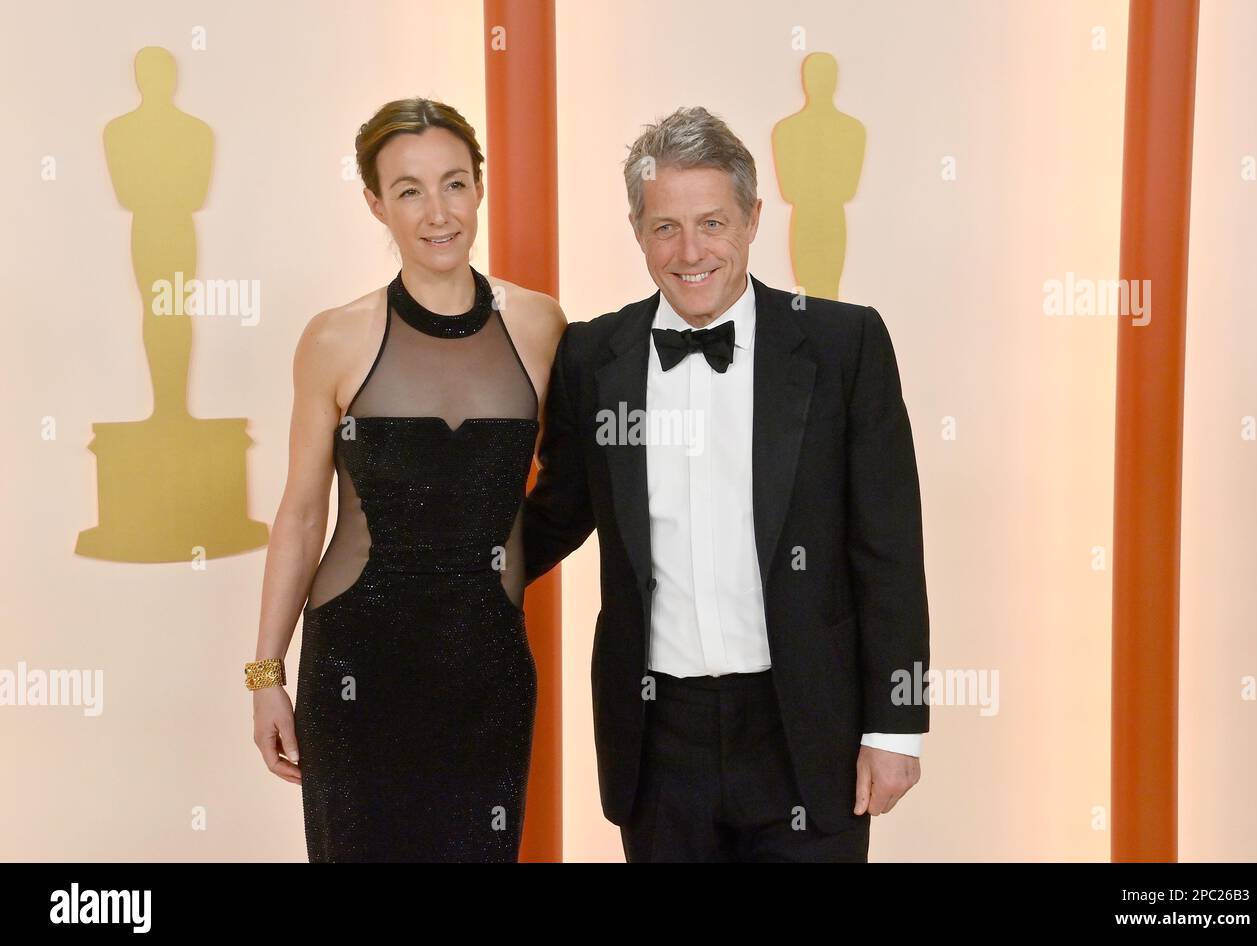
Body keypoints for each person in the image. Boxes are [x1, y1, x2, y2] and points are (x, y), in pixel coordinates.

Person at [522, 106, 930, 862]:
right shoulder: (591, 355)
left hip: (809, 729)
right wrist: (437, 573)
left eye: (712, 222)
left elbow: (890, 549)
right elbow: (555, 515)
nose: (689, 251)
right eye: (664, 227)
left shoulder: (846, 344)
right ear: (638, 232)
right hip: (656, 737)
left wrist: (895, 725)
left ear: (751, 221)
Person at [246, 98, 567, 861]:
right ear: (375, 204)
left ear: (480, 188)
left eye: (455, 183)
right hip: (356, 668)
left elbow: (575, 485)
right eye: (409, 190)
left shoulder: (542, 325)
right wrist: (265, 674)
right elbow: (298, 515)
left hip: (487, 668)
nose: (437, 213)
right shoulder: (333, 337)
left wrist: (501, 575)